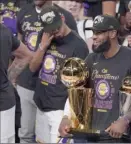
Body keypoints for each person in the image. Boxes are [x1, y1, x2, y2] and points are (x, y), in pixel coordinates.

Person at [59, 14, 131, 143]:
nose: (94, 36)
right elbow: (78, 91)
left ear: (113, 33)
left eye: (99, 33)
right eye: (93, 32)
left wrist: (125, 120)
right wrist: (66, 117)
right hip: (92, 135)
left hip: (121, 137)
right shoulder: (91, 59)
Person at [16, 0, 78, 143]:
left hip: (53, 90)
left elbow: (74, 47)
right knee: (26, 134)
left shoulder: (66, 16)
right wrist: (14, 76)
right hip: (26, 82)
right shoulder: (24, 12)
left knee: (51, 137)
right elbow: (18, 49)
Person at [29, 6, 89, 143]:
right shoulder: (44, 35)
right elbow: (32, 68)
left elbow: (80, 87)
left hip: (60, 110)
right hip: (41, 104)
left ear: (62, 19)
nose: (55, 33)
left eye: (57, 28)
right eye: (51, 30)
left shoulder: (78, 45)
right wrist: (42, 47)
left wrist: (69, 116)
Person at [0, 24, 32, 143]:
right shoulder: (5, 31)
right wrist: (7, 78)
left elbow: (26, 56)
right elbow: (26, 55)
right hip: (5, 100)